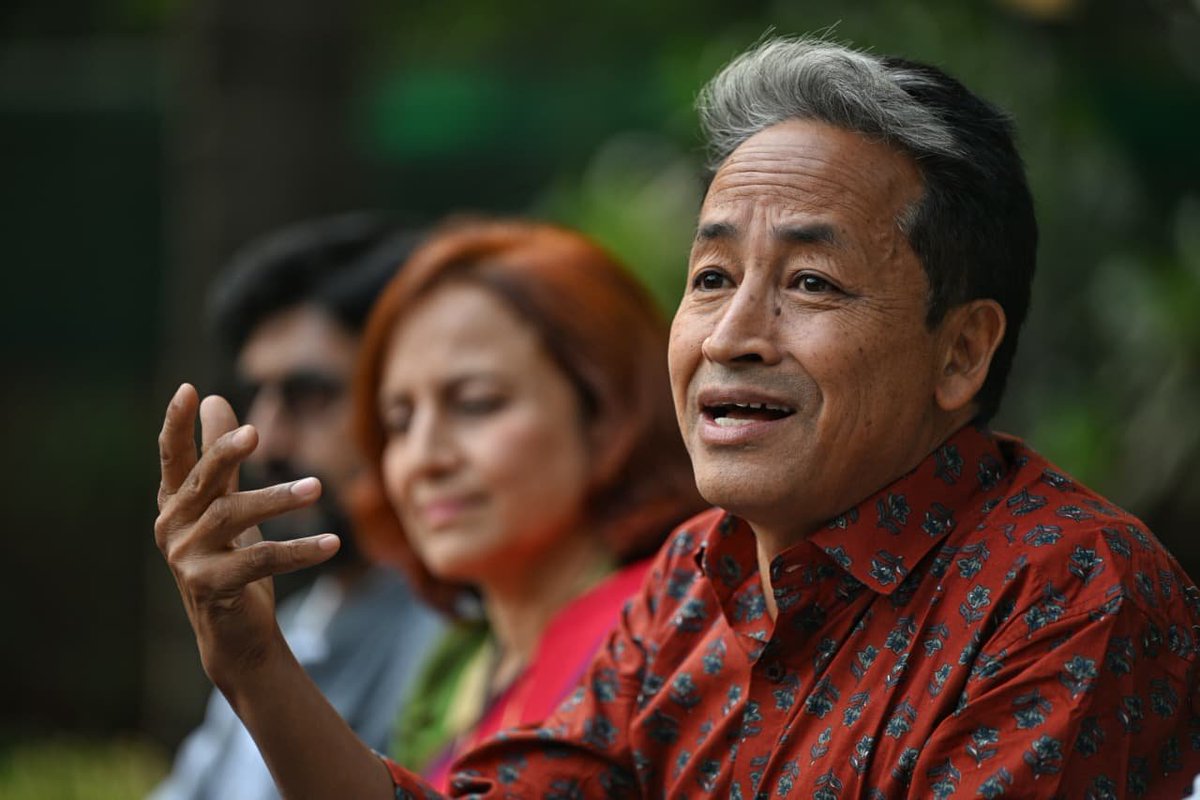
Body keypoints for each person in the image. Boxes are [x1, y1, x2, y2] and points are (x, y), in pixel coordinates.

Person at [153, 36, 1200, 799]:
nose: (733, 333)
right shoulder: (696, 577)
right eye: (709, 276)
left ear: (962, 348)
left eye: (813, 283)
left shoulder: (1069, 591)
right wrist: (252, 662)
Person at [346, 219, 704, 790]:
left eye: (476, 403)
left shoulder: (672, 633)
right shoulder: (455, 666)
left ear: (607, 418)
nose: (422, 458)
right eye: (399, 421)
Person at [149, 214, 443, 800]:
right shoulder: (294, 621)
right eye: (259, 394)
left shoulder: (457, 630)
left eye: (310, 396)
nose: (269, 440)